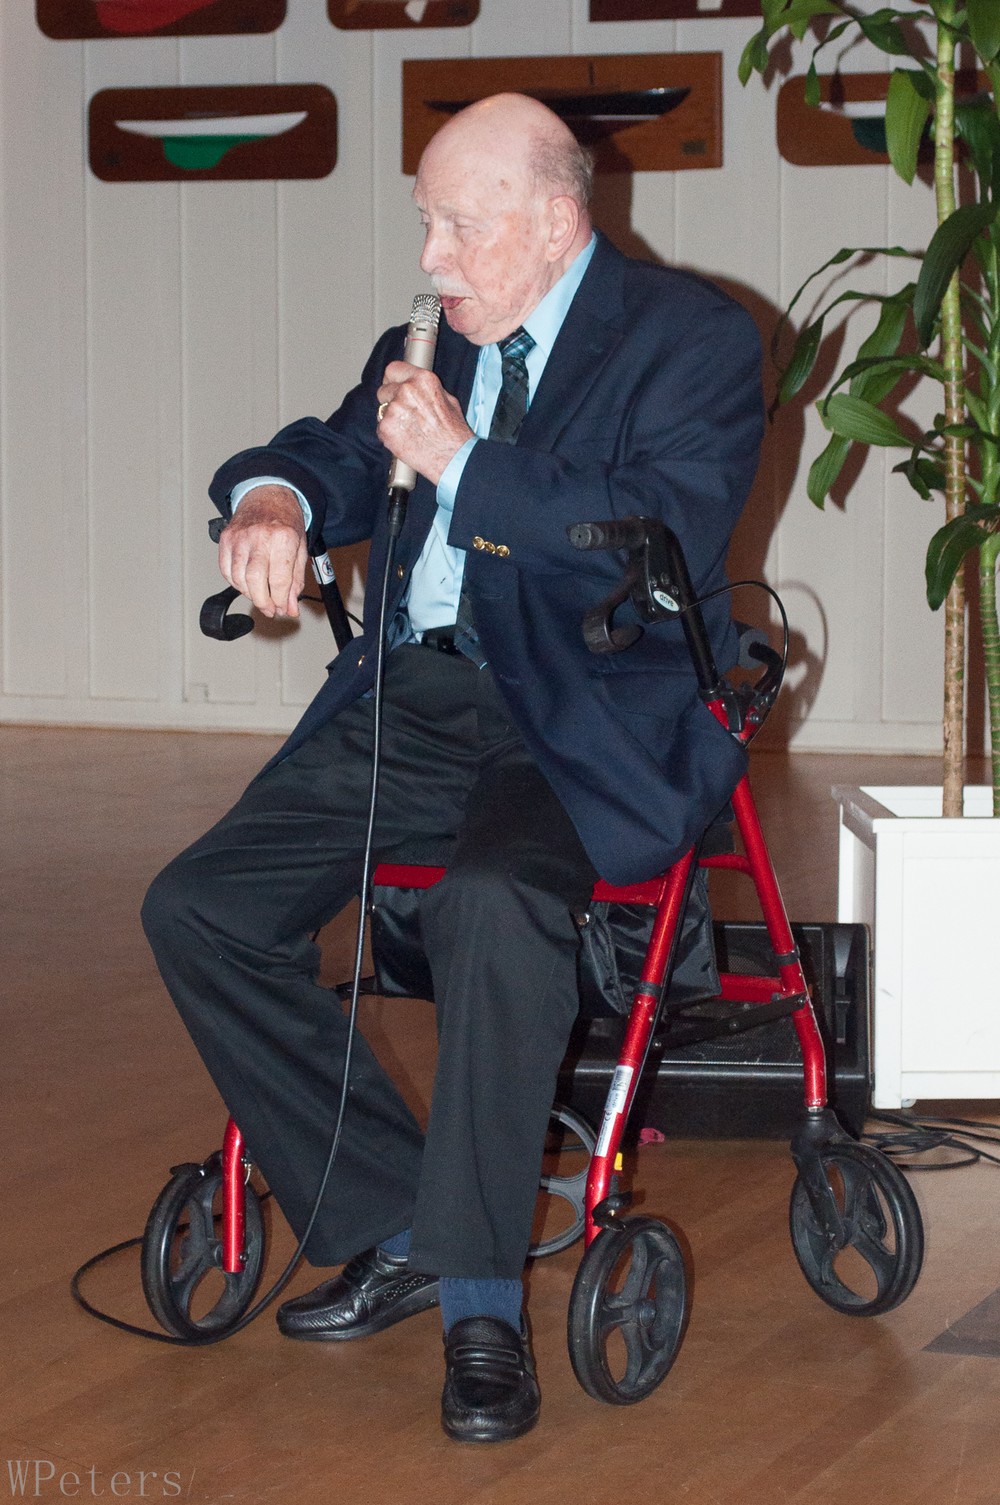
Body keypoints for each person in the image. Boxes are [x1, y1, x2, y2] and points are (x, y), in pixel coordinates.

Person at [142, 92, 763, 1443]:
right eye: (425, 222)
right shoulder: (429, 338)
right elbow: (336, 450)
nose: (430, 258)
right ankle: (396, 1219)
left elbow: (658, 535)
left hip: (583, 717)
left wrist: (467, 466)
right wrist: (275, 500)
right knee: (200, 907)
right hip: (417, 702)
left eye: (459, 226)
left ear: (555, 220)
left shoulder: (693, 339)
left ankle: (483, 1299)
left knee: (492, 899)